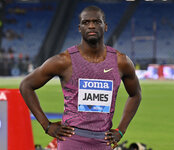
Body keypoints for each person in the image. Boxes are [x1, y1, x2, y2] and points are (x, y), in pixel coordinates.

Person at [19, 5, 141, 150]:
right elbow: (26, 85)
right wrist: (47, 125)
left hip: (103, 141)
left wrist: (121, 130)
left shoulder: (121, 62)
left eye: (96, 22)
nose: (91, 26)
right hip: (72, 139)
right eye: (86, 22)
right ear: (79, 28)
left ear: (105, 26)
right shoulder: (64, 61)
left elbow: (135, 95)